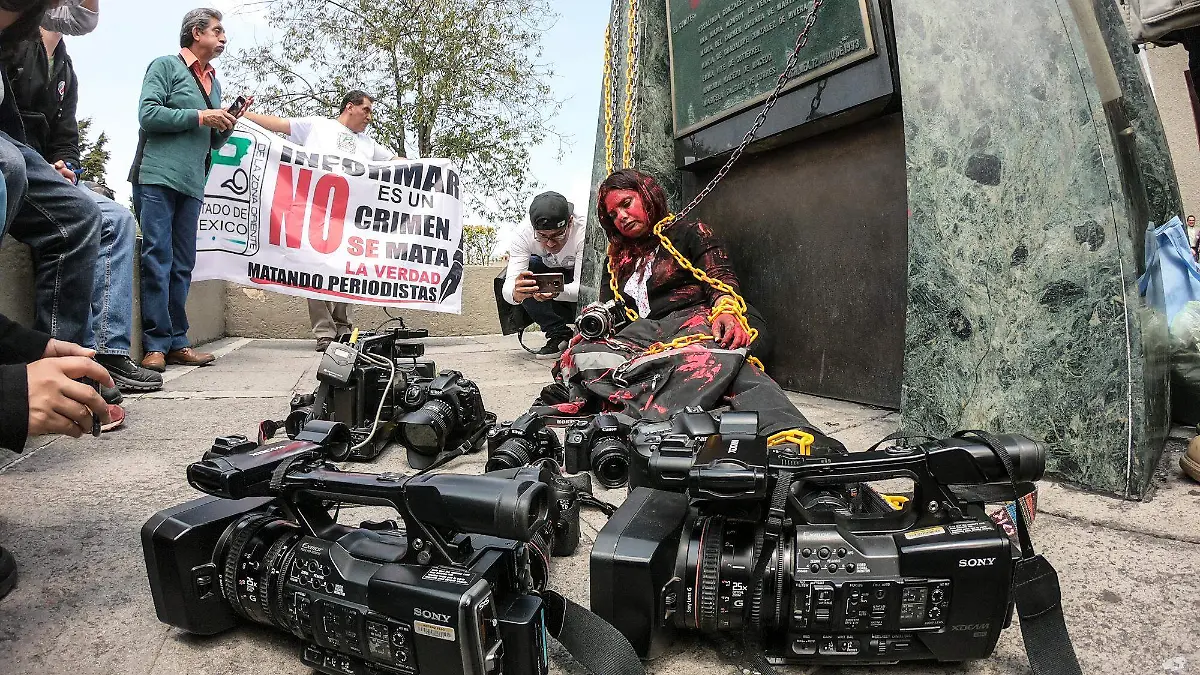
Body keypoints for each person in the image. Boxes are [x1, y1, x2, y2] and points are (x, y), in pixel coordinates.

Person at [0, 0, 114, 605]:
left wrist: (35, 350)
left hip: (28, 154)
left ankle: (70, 370)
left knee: (86, 210)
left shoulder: (49, 57)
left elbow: (50, 135)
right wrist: (9, 397)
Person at [2, 27, 162, 393]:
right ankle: (66, 365)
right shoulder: (17, 41)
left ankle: (108, 353)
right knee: (28, 177)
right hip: (18, 160)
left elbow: (66, 136)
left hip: (44, 170)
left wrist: (67, 166)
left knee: (118, 218)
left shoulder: (66, 68)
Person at [243, 90, 402, 351]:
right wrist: (241, 114)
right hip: (312, 214)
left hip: (348, 219)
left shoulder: (367, 144)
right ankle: (324, 333)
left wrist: (433, 165)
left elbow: (395, 162)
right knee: (312, 269)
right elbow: (279, 124)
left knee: (346, 269)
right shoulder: (318, 126)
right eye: (366, 110)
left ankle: (343, 328)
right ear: (350, 107)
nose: (369, 117)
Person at [129, 7, 242, 372]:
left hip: (192, 182)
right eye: (217, 30)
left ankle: (178, 341)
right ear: (196, 32)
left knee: (182, 266)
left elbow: (211, 141)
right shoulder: (164, 66)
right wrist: (200, 116)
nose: (223, 37)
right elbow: (148, 114)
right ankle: (155, 345)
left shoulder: (214, 81)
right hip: (157, 177)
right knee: (157, 259)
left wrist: (225, 124)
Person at [596, 168, 771, 363]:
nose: (621, 216)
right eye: (613, 215)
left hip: (698, 323)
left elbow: (719, 278)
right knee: (582, 355)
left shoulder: (690, 233)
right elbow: (607, 308)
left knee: (713, 353)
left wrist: (726, 310)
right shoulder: (615, 260)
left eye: (626, 203)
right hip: (646, 337)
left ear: (647, 196)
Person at [501, 191, 585, 357]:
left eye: (558, 235)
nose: (550, 243)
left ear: (570, 222)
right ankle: (558, 333)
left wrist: (556, 291)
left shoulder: (584, 232)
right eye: (542, 237)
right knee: (525, 276)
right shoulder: (523, 235)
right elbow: (508, 287)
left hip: (580, 282)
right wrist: (518, 294)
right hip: (550, 276)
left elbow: (586, 290)